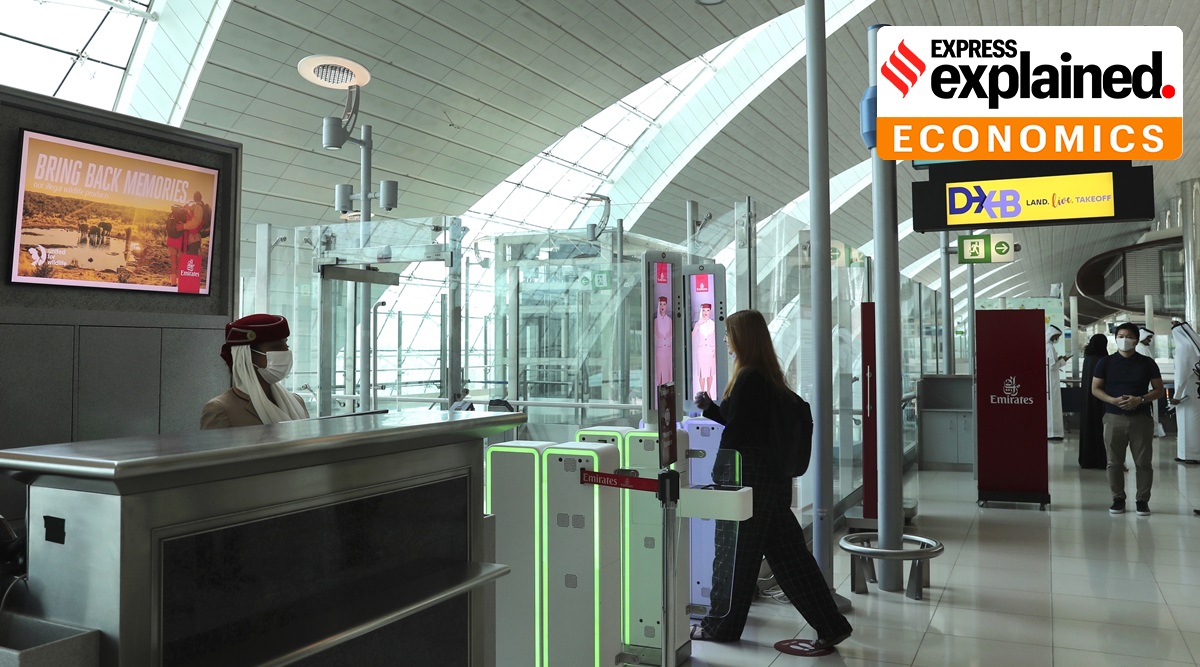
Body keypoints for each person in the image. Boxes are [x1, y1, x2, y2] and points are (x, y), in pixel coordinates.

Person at [690, 310, 852, 651]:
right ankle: (830, 624)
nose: (724, 340)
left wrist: (720, 477)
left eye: (729, 334)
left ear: (742, 338)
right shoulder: (765, 376)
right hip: (769, 481)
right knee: (791, 558)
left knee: (733, 554)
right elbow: (747, 425)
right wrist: (712, 409)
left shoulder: (749, 378)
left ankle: (721, 626)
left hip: (748, 480)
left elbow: (738, 436)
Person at [1091, 322, 1165, 516]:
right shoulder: (1105, 362)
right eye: (1121, 336)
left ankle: (1142, 500)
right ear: (1115, 339)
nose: (1124, 340)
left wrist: (1140, 399)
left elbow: (1158, 390)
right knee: (1114, 462)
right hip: (1113, 417)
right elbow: (1095, 388)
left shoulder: (1147, 362)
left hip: (1141, 418)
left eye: (1129, 336)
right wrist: (1113, 401)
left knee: (1143, 463)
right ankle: (1118, 499)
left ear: (1136, 339)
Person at [201, 313, 309, 429]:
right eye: (276, 347)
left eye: (286, 345)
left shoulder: (296, 402)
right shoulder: (221, 410)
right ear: (246, 356)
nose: (285, 352)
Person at [1078, 334, 1110, 469]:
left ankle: (1087, 459)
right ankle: (1101, 459)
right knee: (1101, 429)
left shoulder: (1088, 359)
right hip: (1101, 399)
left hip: (1087, 401)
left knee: (1088, 428)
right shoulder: (1103, 360)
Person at [1171, 321, 1200, 464]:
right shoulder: (1194, 345)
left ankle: (1189, 455)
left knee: (1187, 424)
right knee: (1196, 423)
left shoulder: (1183, 348)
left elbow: (1182, 375)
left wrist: (1176, 396)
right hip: (1195, 392)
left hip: (1186, 394)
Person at [1136, 328, 1167, 438]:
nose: (1150, 341)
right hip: (1147, 388)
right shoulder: (1140, 349)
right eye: (1148, 338)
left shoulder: (1142, 348)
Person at [1046, 325, 1069, 440]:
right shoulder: (1049, 347)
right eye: (1057, 336)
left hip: (1049, 380)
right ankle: (1053, 432)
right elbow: (1052, 366)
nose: (1057, 338)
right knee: (1052, 407)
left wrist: (1059, 360)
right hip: (1051, 381)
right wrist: (1063, 361)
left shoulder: (1047, 346)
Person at [692, 302, 716, 398]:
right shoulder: (698, 324)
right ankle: (702, 392)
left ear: (710, 311)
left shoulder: (713, 324)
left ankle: (709, 391)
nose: (705, 312)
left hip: (711, 351)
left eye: (707, 310)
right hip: (701, 351)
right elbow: (692, 335)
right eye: (704, 310)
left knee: (710, 373)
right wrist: (697, 325)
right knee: (702, 373)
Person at [654, 296, 673, 386]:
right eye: (660, 304)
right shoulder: (656, 321)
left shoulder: (669, 320)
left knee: (667, 372)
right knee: (660, 372)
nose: (662, 306)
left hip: (668, 350)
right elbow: (655, 335)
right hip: (660, 350)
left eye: (664, 304)